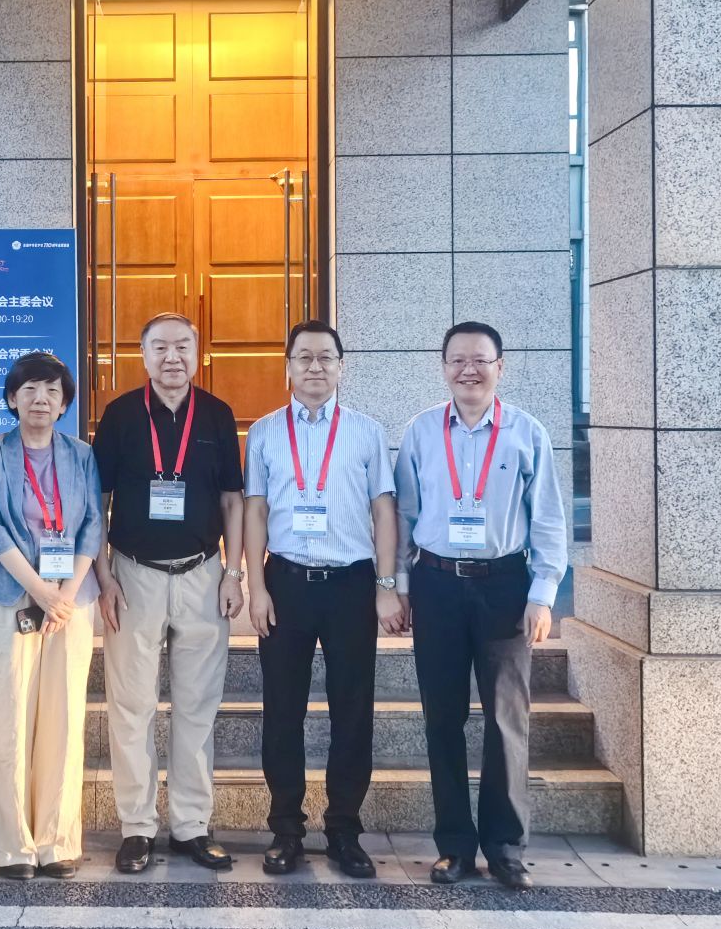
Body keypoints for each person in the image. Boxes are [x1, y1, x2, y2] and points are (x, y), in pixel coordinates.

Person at [394, 321, 567, 891]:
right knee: (442, 718)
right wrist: (399, 586)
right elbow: (404, 517)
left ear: (500, 366)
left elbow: (547, 519)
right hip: (437, 585)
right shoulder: (421, 432)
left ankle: (506, 846)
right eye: (457, 360)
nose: (468, 369)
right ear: (443, 366)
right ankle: (455, 846)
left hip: (504, 587)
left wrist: (542, 595)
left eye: (480, 360)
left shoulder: (526, 432)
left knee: (506, 719)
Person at [243, 321, 403, 878]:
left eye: (326, 357)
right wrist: (256, 587)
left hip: (351, 585)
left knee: (352, 711)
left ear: (341, 365)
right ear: (287, 365)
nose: (315, 367)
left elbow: (384, 512)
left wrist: (386, 587)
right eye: (304, 357)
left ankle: (343, 830)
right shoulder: (264, 432)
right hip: (286, 582)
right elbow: (255, 511)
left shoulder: (366, 432)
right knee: (282, 710)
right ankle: (286, 828)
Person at [93, 313, 245, 874]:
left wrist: (234, 573)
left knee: (197, 705)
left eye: (183, 346)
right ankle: (137, 827)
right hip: (134, 575)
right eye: (160, 347)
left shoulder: (218, 415)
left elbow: (231, 500)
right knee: (131, 706)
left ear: (198, 352)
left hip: (203, 573)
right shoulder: (119, 415)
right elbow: (97, 502)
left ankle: (191, 825)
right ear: (144, 354)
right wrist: (105, 576)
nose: (172, 357)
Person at [0, 351, 103, 880]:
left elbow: (93, 524)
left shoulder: (82, 455)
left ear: (65, 402)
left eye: (51, 390)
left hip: (71, 602)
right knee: (9, 719)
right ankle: (14, 845)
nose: (40, 399)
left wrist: (63, 594)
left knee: (64, 718)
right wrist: (40, 591)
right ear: (11, 398)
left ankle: (57, 840)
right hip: (8, 595)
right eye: (29, 389)